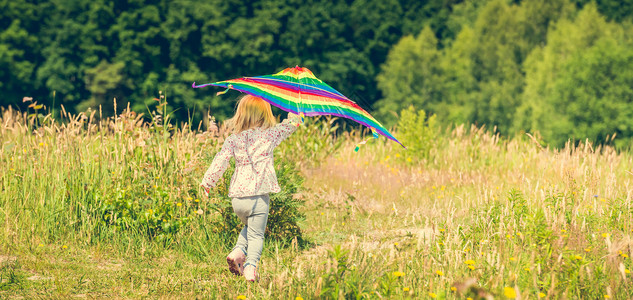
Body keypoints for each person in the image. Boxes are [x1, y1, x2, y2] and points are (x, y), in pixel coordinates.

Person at [200, 94, 300, 282]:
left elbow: (220, 160)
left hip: (237, 199)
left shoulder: (233, 138)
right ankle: (250, 266)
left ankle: (237, 252)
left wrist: (208, 182)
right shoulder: (270, 134)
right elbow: (292, 124)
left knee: (249, 227)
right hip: (258, 195)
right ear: (265, 114)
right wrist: (295, 105)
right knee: (256, 235)